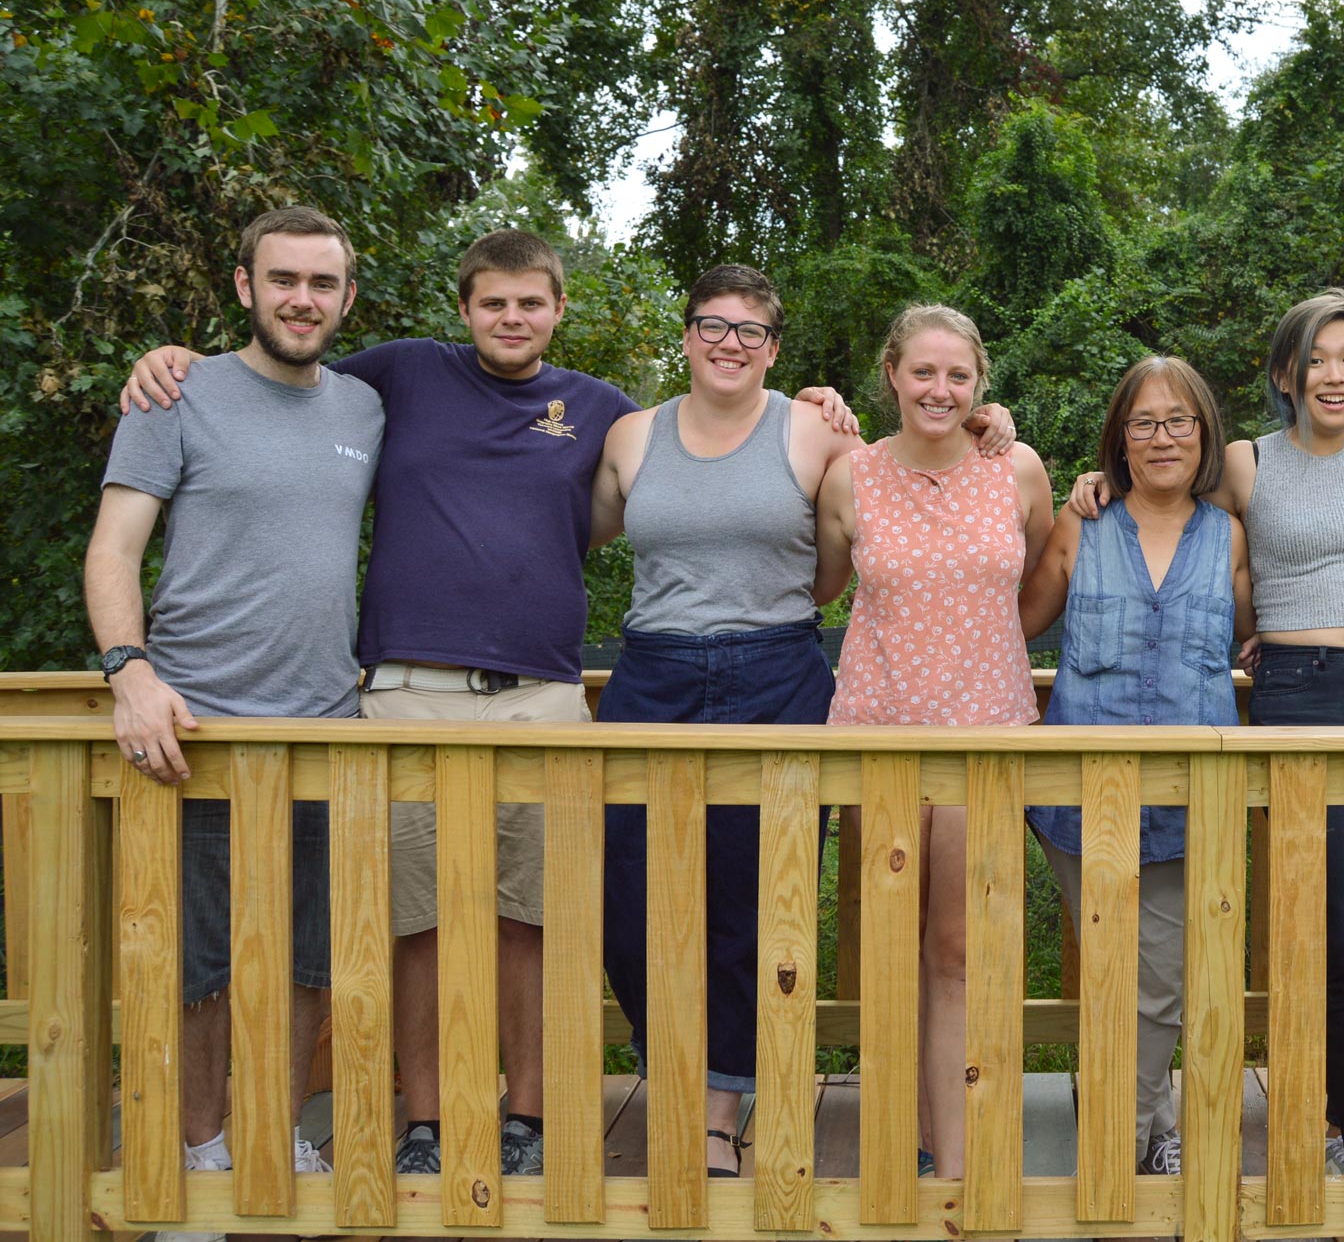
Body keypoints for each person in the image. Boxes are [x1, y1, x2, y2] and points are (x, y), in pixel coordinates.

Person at [119, 234, 857, 1179]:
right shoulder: (399, 376)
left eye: (532, 303)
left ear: (558, 310)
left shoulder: (603, 412)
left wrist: (834, 404)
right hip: (404, 692)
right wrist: (179, 363)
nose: (513, 318)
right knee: (415, 922)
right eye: (494, 302)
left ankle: (533, 1115)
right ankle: (425, 1118)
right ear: (464, 308)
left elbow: (710, 481)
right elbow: (279, 372)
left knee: (539, 920)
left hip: (544, 695)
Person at [590, 275, 1016, 1177]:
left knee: (758, 905)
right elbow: (569, 527)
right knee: (629, 901)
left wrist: (989, 417)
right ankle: (670, 1069)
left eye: (751, 330)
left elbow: (945, 521)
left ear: (776, 348)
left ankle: (718, 1111)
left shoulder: (819, 430)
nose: (731, 342)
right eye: (713, 324)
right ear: (687, 334)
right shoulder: (632, 433)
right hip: (657, 676)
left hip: (776, 674)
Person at [1068, 289, 1344, 1178]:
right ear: (1284, 373)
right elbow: (1168, 498)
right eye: (1317, 358)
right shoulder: (1246, 460)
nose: (1336, 373)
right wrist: (1094, 483)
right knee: (1317, 924)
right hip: (1300, 694)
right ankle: (1320, 1123)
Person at [85, 206, 385, 1239]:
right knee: (195, 966)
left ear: (348, 298)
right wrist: (130, 673)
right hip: (193, 728)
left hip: (326, 727)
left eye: (322, 282)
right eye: (283, 279)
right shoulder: (178, 392)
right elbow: (115, 547)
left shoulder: (365, 404)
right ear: (245, 286)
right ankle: (199, 1155)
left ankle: (273, 1130)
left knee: (310, 957)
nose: (302, 298)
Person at [817, 304, 1054, 1178]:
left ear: (979, 382)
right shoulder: (848, 475)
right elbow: (817, 585)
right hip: (877, 733)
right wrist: (809, 410)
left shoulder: (1018, 468)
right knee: (887, 948)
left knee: (960, 948)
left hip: (987, 736)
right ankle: (901, 1144)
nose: (940, 390)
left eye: (958, 375)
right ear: (891, 373)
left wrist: (986, 657)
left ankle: (955, 1160)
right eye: (923, 372)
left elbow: (1034, 583)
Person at [1018, 355, 1251, 1180]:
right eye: (1144, 422)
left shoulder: (1230, 534)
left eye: (1178, 421)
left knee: (1157, 980)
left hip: (1193, 799)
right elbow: (1010, 625)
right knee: (1120, 974)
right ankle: (1147, 1130)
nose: (1162, 438)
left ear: (1204, 432)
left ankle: (1127, 1134)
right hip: (1083, 800)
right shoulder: (1082, 525)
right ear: (1120, 436)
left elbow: (1258, 634)